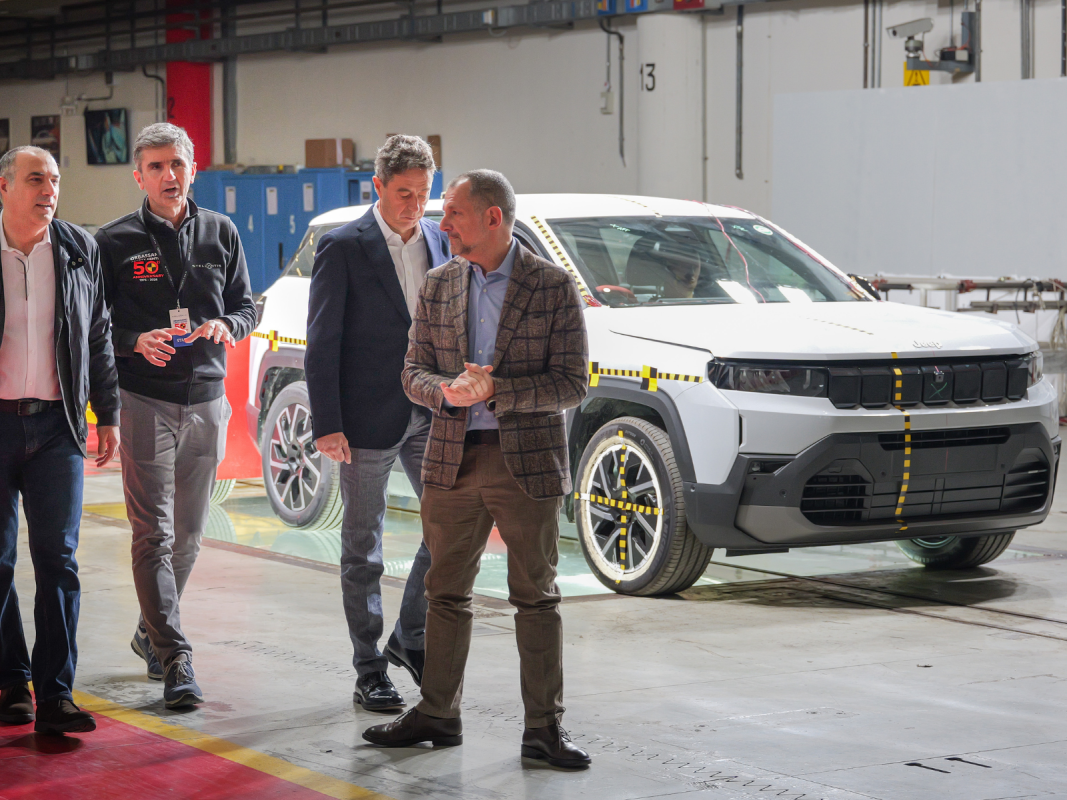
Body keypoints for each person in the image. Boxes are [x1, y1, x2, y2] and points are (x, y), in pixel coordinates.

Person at [363, 170, 592, 768]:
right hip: (452, 460)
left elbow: (572, 383)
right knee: (445, 593)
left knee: (535, 597)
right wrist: (448, 393)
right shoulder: (440, 284)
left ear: (493, 217)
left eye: (454, 213)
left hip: (527, 464)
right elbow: (412, 372)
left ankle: (544, 730)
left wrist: (498, 392)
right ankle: (439, 714)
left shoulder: (552, 286)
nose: (442, 224)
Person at [95, 123, 256, 709]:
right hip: (145, 401)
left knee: (188, 537)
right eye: (157, 167)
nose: (169, 176)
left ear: (194, 171)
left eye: (178, 165)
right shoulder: (112, 241)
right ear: (139, 176)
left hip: (208, 402)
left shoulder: (222, 232)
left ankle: (150, 632)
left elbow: (246, 306)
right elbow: (96, 324)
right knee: (153, 534)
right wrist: (137, 340)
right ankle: (176, 657)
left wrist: (227, 326)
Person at [305, 135, 450, 711]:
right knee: (363, 549)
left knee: (448, 528)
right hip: (364, 417)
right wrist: (327, 423)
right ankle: (369, 670)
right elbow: (323, 341)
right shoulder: (343, 246)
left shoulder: (440, 240)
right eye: (403, 193)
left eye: (423, 193)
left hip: (430, 411)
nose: (414, 205)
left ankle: (409, 637)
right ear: (378, 187)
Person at [0, 145, 120, 734]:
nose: (48, 190)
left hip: (58, 426)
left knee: (58, 560)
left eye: (54, 180)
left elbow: (97, 332)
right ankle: (9, 682)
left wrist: (109, 412)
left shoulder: (78, 248)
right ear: (3, 188)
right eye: (34, 179)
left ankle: (55, 695)